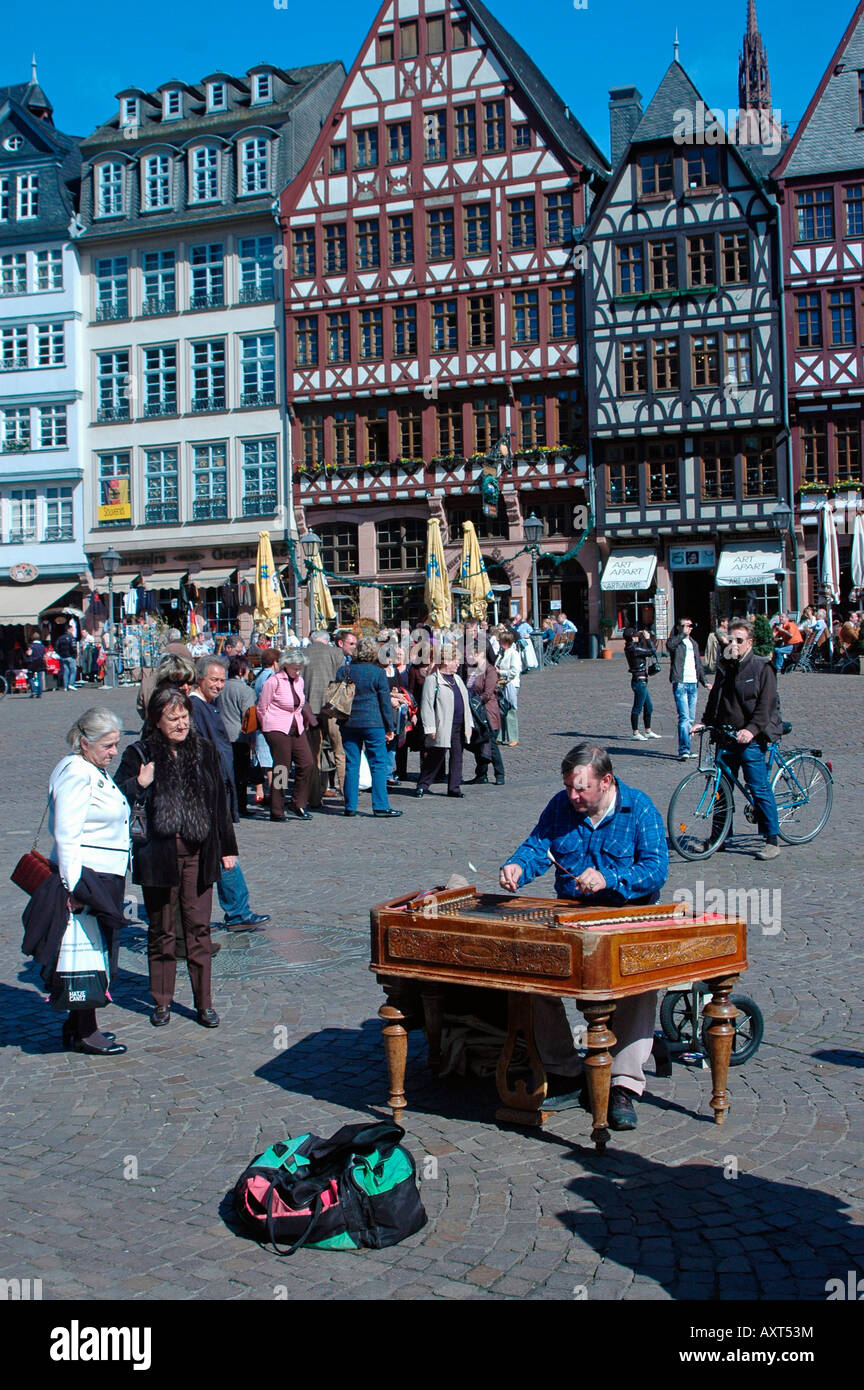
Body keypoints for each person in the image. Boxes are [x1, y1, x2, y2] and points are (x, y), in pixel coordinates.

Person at [499, 743, 669, 1131]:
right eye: (569, 788)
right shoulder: (562, 806)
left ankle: (623, 1084)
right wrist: (516, 867)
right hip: (572, 913)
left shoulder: (639, 808)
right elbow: (537, 846)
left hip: (628, 912)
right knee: (531, 974)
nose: (573, 796)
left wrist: (611, 878)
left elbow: (657, 869)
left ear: (606, 781)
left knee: (639, 987)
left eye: (581, 789)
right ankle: (566, 1070)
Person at [116, 687, 237, 1028]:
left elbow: (219, 804)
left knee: (198, 929)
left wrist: (228, 848)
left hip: (199, 853)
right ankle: (162, 1001)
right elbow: (115, 795)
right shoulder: (139, 753)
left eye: (185, 717)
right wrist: (139, 782)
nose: (182, 724)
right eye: (174, 718)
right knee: (161, 930)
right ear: (157, 720)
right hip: (158, 854)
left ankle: (204, 1004)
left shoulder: (205, 751)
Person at [22, 708, 131, 1054]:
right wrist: (72, 887)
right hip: (86, 876)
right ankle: (85, 1031)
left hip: (101, 874)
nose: (114, 752)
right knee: (85, 953)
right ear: (85, 743)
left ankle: (78, 1024)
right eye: (108, 745)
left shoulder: (91, 768)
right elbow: (67, 835)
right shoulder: (75, 772)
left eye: (115, 745)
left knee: (94, 950)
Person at [189, 656, 270, 929]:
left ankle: (236, 910)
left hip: (220, 785)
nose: (219, 685)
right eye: (214, 680)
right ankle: (236, 911)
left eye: (222, 680)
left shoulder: (208, 706)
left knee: (222, 852)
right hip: (209, 792)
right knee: (224, 852)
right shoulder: (194, 707)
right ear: (200, 678)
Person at [694, 617, 783, 860]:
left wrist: (752, 730)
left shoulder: (762, 667)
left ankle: (771, 839)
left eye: (739, 640)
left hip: (751, 736)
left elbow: (766, 706)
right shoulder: (725, 666)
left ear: (750, 642)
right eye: (730, 639)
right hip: (727, 735)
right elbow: (716, 699)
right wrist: (706, 722)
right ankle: (719, 837)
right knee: (721, 789)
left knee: (758, 786)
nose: (734, 644)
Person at [336, 634, 401, 818]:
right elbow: (384, 703)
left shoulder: (344, 671)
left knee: (351, 763)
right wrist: (390, 727)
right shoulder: (378, 673)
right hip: (373, 723)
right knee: (378, 763)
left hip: (349, 723)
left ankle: (350, 806)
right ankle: (380, 805)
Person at [257, 649, 316, 822]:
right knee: (282, 767)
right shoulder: (273, 681)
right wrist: (267, 726)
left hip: (296, 725)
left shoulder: (299, 681)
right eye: (295, 668)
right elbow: (262, 707)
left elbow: (300, 703)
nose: (298, 671)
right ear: (286, 665)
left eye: (300, 668)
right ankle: (277, 808)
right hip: (276, 726)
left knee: (307, 763)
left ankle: (297, 803)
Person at [417, 644, 474, 798]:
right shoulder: (432, 680)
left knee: (457, 756)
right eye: (455, 660)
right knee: (436, 755)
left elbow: (465, 702)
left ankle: (454, 788)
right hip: (442, 724)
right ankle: (423, 784)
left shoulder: (458, 679)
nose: (458, 664)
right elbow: (427, 705)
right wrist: (429, 727)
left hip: (459, 725)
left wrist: (469, 724)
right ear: (446, 661)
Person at [304, 630, 342, 806]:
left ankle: (314, 797)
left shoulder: (302, 653)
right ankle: (347, 794)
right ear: (327, 641)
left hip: (309, 708)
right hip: (332, 707)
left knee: (313, 754)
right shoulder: (336, 653)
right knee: (340, 751)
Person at [219, 656, 256, 817]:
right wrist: (252, 739)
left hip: (222, 735)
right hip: (239, 736)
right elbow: (249, 716)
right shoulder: (246, 690)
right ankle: (240, 805)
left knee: (226, 772)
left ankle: (227, 804)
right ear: (242, 671)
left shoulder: (221, 687)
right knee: (241, 775)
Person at [666, 617, 707, 759]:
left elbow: (698, 664)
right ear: (678, 627)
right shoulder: (676, 641)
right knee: (684, 717)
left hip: (693, 683)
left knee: (691, 719)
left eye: (690, 625)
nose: (689, 628)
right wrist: (682, 634)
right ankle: (683, 749)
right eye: (685, 625)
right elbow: (669, 646)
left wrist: (704, 681)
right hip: (680, 682)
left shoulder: (693, 643)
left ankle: (687, 748)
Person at [464, 646, 505, 785]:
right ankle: (481, 774)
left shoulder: (490, 670)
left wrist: (477, 700)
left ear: (480, 654)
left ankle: (500, 774)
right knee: (478, 744)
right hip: (475, 712)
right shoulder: (473, 669)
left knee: (491, 744)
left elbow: (488, 692)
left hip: (487, 712)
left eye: (472, 654)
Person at [623, 628, 662, 742]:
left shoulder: (632, 647)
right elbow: (652, 651)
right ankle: (635, 732)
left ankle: (648, 731)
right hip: (639, 681)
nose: (638, 637)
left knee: (648, 707)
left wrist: (642, 637)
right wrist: (648, 639)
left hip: (642, 681)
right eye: (636, 635)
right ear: (632, 637)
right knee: (637, 707)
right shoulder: (633, 648)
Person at [495, 631, 521, 745]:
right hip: (501, 684)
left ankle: (513, 737)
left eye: (500, 640)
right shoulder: (501, 653)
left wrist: (500, 672)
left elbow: (514, 671)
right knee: (500, 709)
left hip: (510, 684)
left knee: (510, 710)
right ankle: (500, 737)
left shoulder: (513, 654)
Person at [55, 624, 79, 692]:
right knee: (73, 671)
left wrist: (60, 654)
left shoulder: (60, 638)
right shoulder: (71, 638)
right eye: (71, 629)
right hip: (70, 656)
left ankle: (65, 686)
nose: (72, 630)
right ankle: (71, 684)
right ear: (68, 630)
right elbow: (73, 647)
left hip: (63, 657)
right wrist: (75, 655)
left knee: (66, 671)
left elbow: (56, 647)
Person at [26, 634, 46, 698]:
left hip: (33, 663)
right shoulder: (42, 646)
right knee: (39, 678)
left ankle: (34, 690)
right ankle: (39, 693)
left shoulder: (32, 646)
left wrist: (27, 652)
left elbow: (29, 653)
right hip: (40, 662)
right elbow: (44, 655)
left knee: (30, 677)